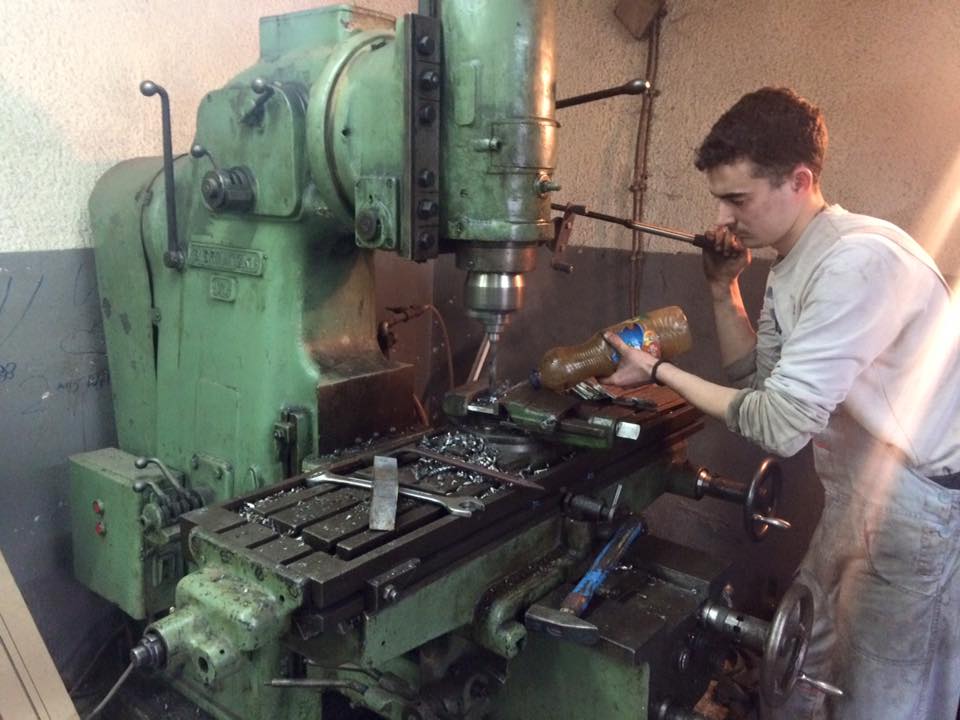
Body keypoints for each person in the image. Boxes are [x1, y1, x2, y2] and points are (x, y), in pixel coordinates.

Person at [602, 87, 960, 720]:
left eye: (738, 199)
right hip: (860, 493)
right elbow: (758, 381)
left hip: (916, 509)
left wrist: (655, 370)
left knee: (878, 698)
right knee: (802, 667)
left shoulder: (856, 263)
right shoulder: (796, 261)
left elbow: (778, 426)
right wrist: (723, 289)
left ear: (800, 180)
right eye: (720, 198)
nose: (724, 215)